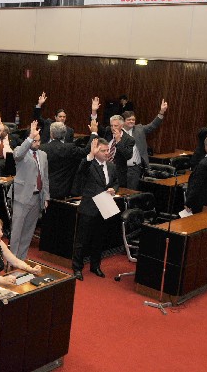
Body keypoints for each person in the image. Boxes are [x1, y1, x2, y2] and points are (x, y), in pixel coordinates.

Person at [72, 138, 119, 281]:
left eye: (107, 150)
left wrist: (113, 189)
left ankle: (95, 266)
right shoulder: (89, 164)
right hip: (89, 207)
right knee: (82, 240)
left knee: (99, 239)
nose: (107, 153)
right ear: (96, 151)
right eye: (103, 151)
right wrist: (90, 155)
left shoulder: (111, 166)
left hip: (104, 207)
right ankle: (77, 268)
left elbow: (116, 182)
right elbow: (81, 170)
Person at [9, 120, 50, 260]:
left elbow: (45, 178)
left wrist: (46, 197)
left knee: (28, 232)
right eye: (34, 141)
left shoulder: (43, 155)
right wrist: (30, 137)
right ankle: (12, 259)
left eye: (39, 141)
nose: (37, 143)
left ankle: (21, 259)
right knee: (17, 231)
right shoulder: (20, 151)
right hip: (22, 197)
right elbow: (17, 155)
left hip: (37, 197)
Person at [42, 121, 97, 200]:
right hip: (65, 190)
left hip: (46, 189)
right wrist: (94, 133)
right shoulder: (70, 148)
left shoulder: (43, 148)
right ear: (64, 134)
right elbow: (86, 151)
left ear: (51, 134)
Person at [121, 99, 169, 189]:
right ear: (123, 121)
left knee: (131, 191)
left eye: (133, 120)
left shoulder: (139, 129)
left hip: (134, 169)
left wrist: (161, 112)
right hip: (120, 168)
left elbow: (153, 125)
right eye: (129, 120)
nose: (131, 121)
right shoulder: (117, 132)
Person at [91, 97, 134, 188]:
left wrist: (118, 141)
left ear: (122, 126)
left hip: (117, 175)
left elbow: (128, 156)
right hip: (102, 170)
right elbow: (96, 126)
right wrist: (94, 112)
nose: (113, 128)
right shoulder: (108, 131)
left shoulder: (129, 139)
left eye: (116, 126)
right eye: (111, 126)